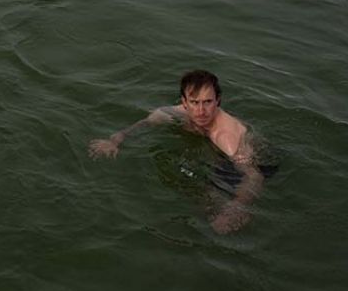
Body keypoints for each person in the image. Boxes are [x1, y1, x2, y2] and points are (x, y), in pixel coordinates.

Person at [88, 70, 264, 234]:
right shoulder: (179, 112)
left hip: (237, 164)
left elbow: (254, 175)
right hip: (213, 153)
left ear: (217, 101)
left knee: (210, 207)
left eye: (207, 102)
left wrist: (236, 207)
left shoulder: (226, 138)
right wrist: (115, 139)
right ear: (184, 102)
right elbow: (148, 121)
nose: (201, 111)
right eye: (194, 102)